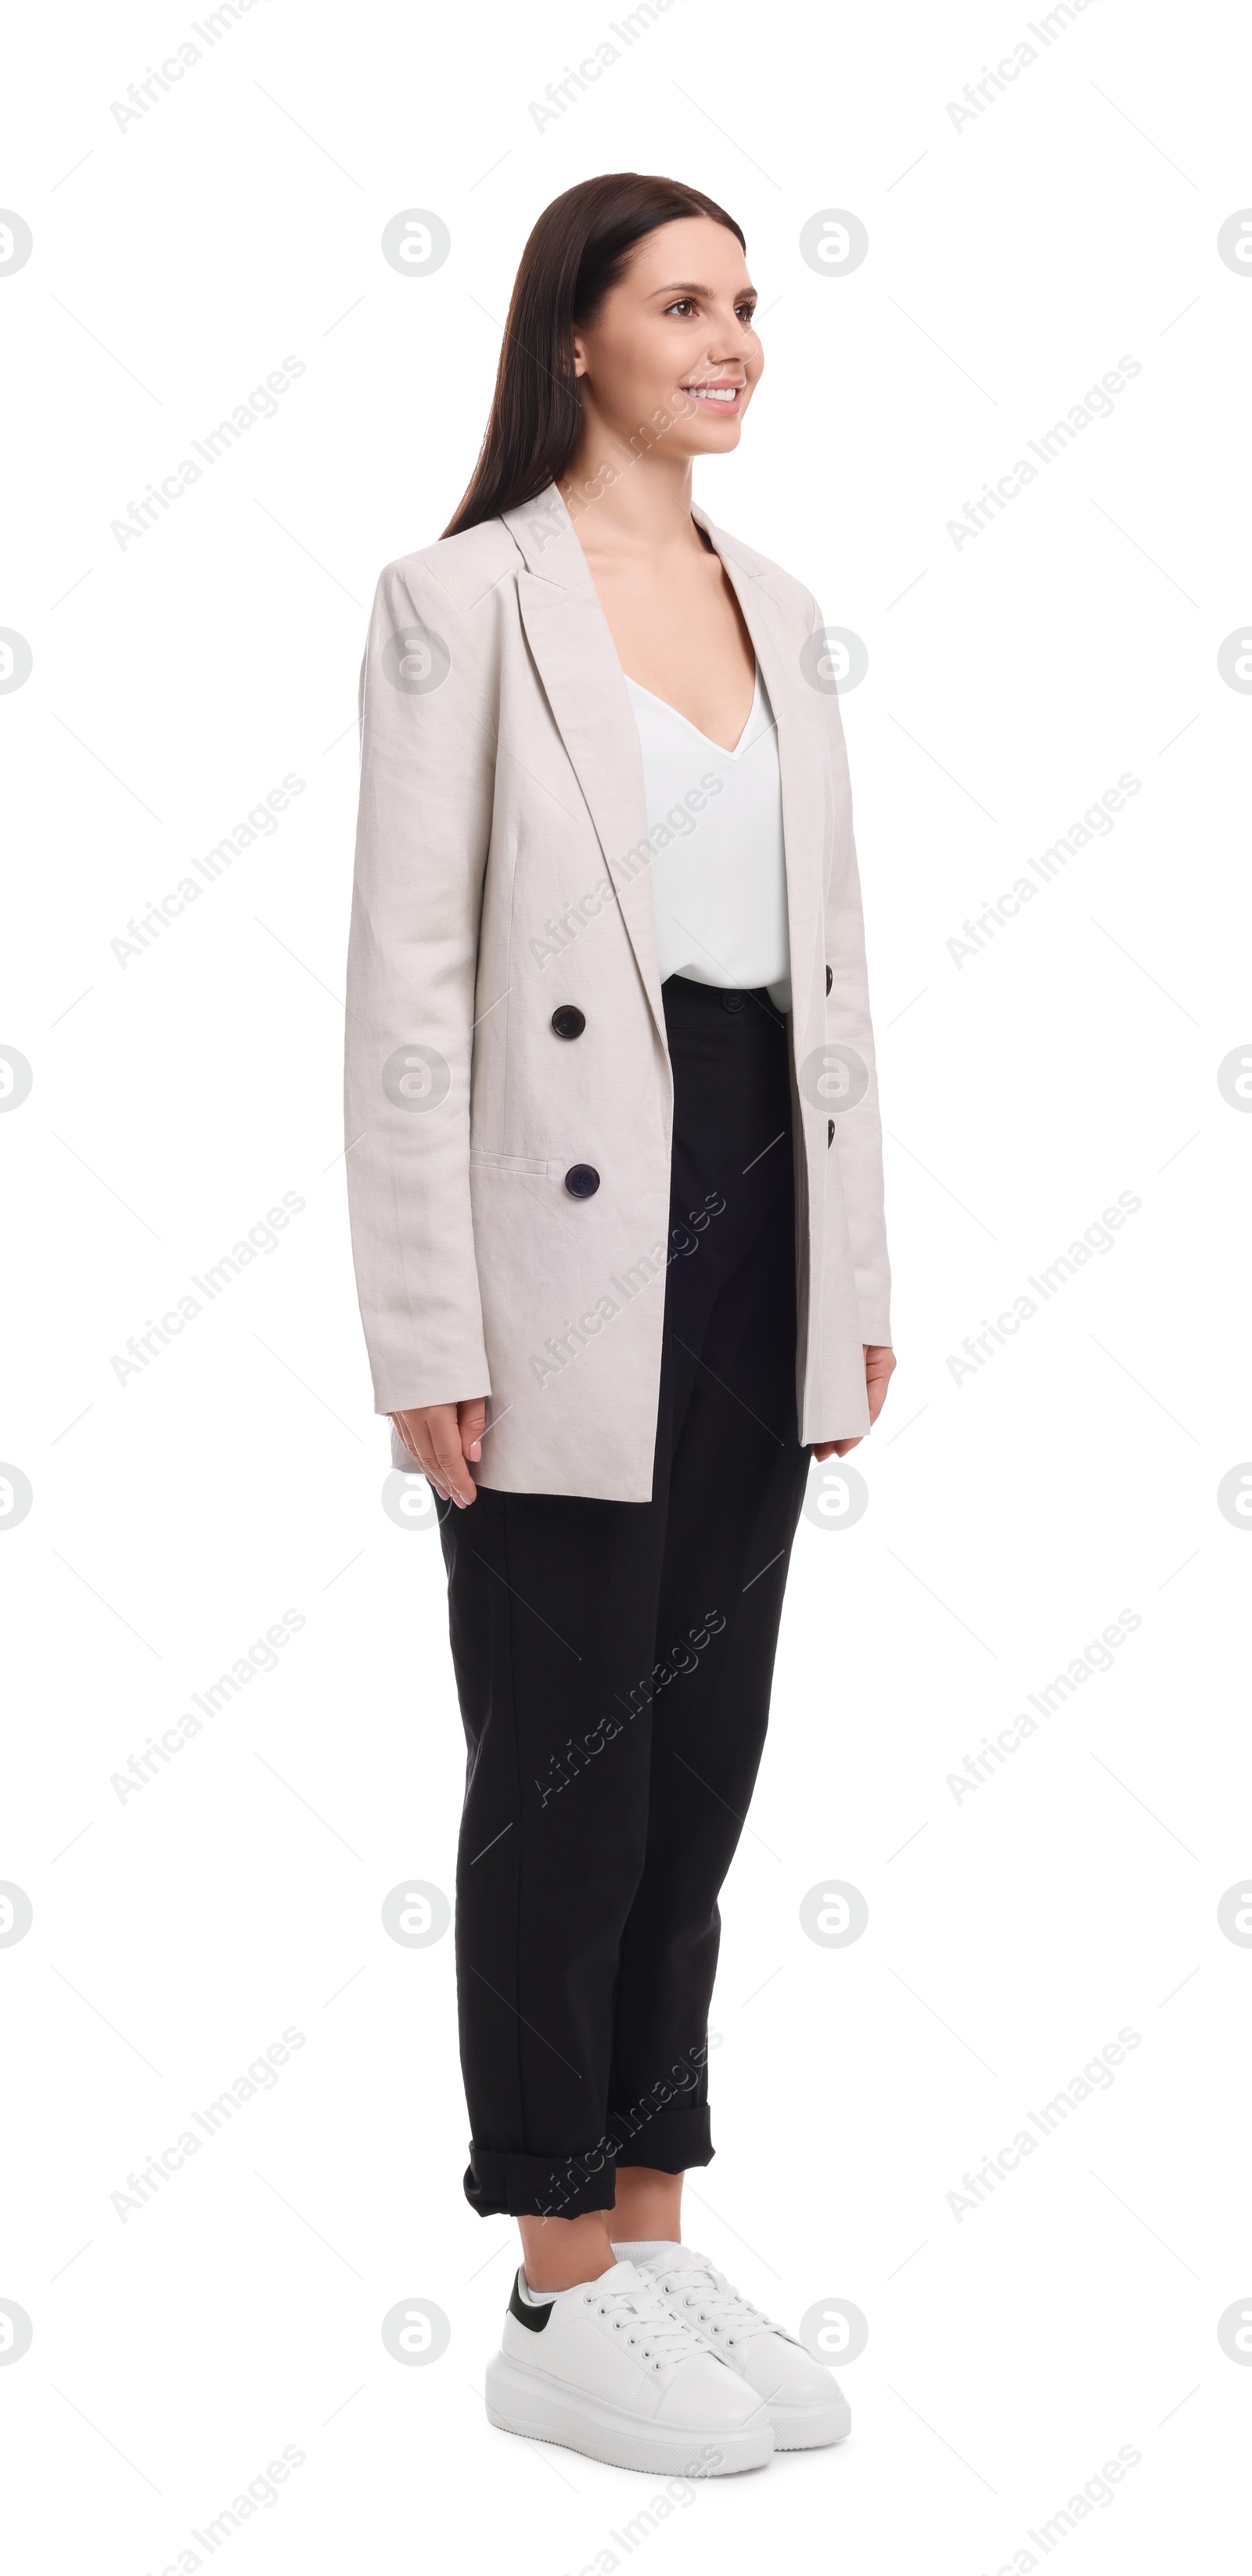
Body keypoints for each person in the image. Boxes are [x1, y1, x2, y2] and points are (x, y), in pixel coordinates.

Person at [344, 171, 894, 2476]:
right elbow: (411, 978)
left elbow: (837, 977)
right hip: (559, 1237)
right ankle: (551, 2272)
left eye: (749, 303)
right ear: (576, 334)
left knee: (703, 1757)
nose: (735, 338)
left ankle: (651, 2229)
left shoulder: (778, 601)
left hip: (765, 1198)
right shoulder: (457, 603)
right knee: (559, 1763)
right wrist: (422, 1323)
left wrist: (854, 1273)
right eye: (685, 301)